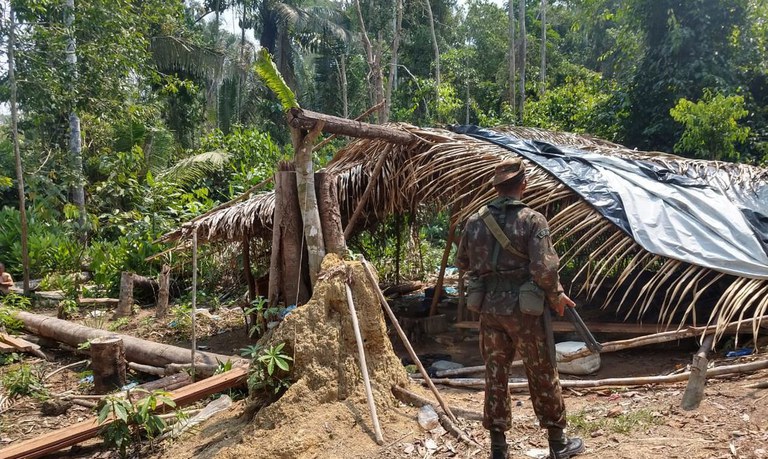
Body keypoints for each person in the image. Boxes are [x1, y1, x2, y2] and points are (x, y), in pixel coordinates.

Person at [456, 158, 584, 459]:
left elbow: (463, 262)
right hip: (525, 312)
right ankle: (557, 444)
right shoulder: (532, 220)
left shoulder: (475, 222)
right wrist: (557, 295)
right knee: (541, 370)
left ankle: (498, 449)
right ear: (523, 185)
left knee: (495, 374)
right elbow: (544, 269)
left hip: (489, 309)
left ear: (497, 187)